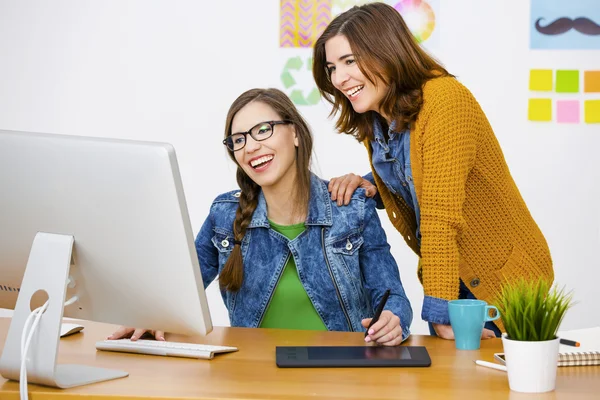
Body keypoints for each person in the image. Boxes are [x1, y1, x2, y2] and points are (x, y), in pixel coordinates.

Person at [311, 2, 553, 340]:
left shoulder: (444, 100)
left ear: (386, 51)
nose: (339, 78)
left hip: (502, 281)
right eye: (332, 67)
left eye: (350, 61)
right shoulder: (380, 120)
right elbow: (417, 177)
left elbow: (440, 212)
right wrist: (369, 184)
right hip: (452, 277)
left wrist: (439, 310)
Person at [108, 88, 413, 346]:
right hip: (251, 380)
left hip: (340, 379)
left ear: (295, 132)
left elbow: (392, 296)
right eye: (238, 139)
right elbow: (178, 292)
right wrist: (148, 314)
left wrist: (393, 320)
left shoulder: (352, 209)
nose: (251, 146)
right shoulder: (225, 214)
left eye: (263, 130)